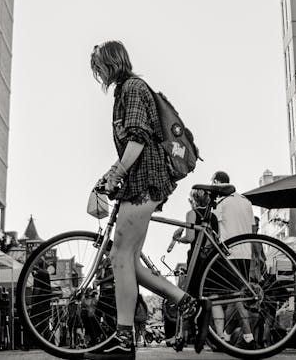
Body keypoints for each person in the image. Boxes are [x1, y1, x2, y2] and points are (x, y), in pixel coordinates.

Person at [87, 41, 206, 360]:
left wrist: (116, 173)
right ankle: (188, 303)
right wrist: (113, 173)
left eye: (98, 66)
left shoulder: (132, 88)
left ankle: (124, 339)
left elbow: (138, 138)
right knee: (129, 262)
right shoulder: (126, 91)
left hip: (146, 180)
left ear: (111, 63)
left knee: (119, 256)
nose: (97, 72)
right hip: (141, 179)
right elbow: (135, 143)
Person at [208, 171, 255, 346]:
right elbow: (253, 229)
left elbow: (215, 232)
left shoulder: (221, 203)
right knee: (232, 297)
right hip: (246, 253)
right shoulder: (246, 202)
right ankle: (227, 336)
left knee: (235, 297)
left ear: (217, 182)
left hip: (229, 254)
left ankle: (249, 337)